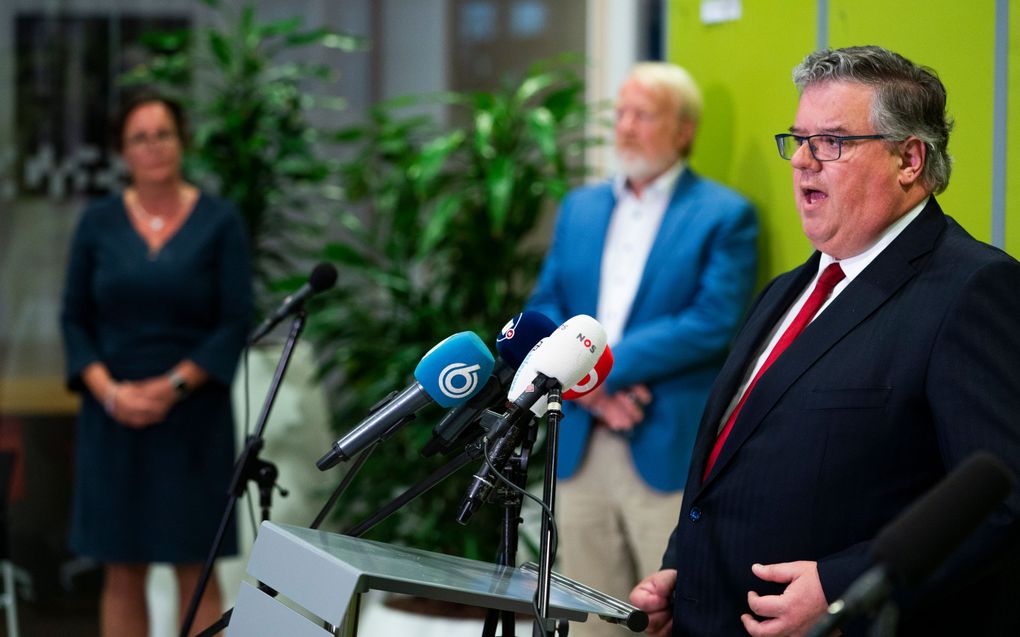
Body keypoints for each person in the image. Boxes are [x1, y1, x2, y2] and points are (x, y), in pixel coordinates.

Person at [630, 45, 1020, 637]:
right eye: (799, 138)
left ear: (909, 159)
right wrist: (683, 567)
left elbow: (1002, 499)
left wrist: (842, 589)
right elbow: (733, 463)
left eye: (832, 141)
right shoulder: (787, 290)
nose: (803, 161)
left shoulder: (971, 288)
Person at [527, 62, 758, 636]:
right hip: (579, 440)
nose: (625, 127)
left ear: (683, 130)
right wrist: (591, 390)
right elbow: (546, 304)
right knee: (585, 616)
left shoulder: (725, 215)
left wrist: (595, 369)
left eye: (644, 115)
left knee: (671, 615)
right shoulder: (579, 207)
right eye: (621, 113)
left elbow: (711, 322)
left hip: (666, 442)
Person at [60, 91, 252, 637]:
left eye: (163, 133)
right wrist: (112, 392)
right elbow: (74, 319)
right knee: (121, 567)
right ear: (123, 151)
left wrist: (171, 386)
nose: (153, 147)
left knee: (196, 565)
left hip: (194, 416)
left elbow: (235, 320)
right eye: (140, 138)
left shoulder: (220, 221)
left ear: (182, 139)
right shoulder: (97, 222)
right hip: (112, 415)